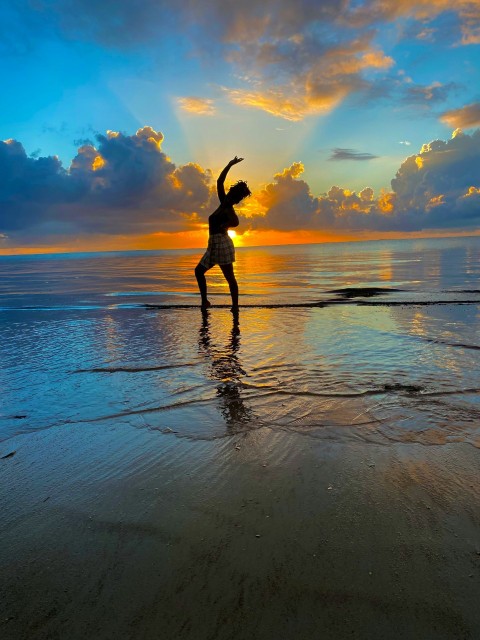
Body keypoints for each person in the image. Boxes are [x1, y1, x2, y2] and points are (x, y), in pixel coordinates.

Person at [195, 156, 251, 312]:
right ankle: (205, 302)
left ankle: (235, 307)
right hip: (213, 244)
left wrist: (225, 225)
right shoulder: (223, 202)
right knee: (199, 271)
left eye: (233, 193)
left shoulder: (228, 208)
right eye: (232, 191)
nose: (229, 193)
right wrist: (230, 164)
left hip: (222, 244)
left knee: (230, 278)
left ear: (235, 197)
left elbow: (236, 222)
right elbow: (219, 182)